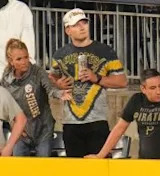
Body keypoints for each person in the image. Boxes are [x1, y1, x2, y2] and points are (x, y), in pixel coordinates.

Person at [50, 8, 128, 158]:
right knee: (75, 173)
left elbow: (122, 81)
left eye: (84, 23)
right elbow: (52, 76)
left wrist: (97, 78)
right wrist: (58, 83)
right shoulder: (59, 54)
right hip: (70, 123)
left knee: (98, 172)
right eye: (76, 24)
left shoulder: (105, 51)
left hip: (97, 121)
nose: (82, 27)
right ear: (68, 30)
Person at [2, 39, 69, 157]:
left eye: (26, 57)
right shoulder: (6, 79)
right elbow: (6, 105)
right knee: (19, 171)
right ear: (10, 61)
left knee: (42, 171)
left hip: (43, 130)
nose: (24, 62)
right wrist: (13, 123)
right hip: (21, 132)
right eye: (19, 59)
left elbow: (50, 89)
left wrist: (60, 94)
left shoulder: (38, 72)